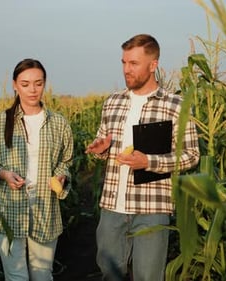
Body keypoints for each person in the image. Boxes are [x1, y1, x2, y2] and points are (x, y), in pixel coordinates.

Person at [85, 34, 200, 281]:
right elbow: (103, 146)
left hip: (151, 208)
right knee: (108, 272)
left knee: (148, 276)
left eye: (134, 63)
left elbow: (191, 155)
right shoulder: (112, 102)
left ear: (153, 65)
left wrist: (148, 162)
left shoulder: (176, 105)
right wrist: (101, 149)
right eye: (124, 62)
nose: (127, 69)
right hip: (112, 206)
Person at [0, 58, 74, 281]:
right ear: (14, 85)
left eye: (38, 83)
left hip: (45, 207)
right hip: (9, 208)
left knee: (42, 274)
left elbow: (66, 161)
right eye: (25, 84)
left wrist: (61, 176)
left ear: (44, 84)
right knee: (16, 276)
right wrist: (3, 174)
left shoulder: (59, 123)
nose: (32, 90)